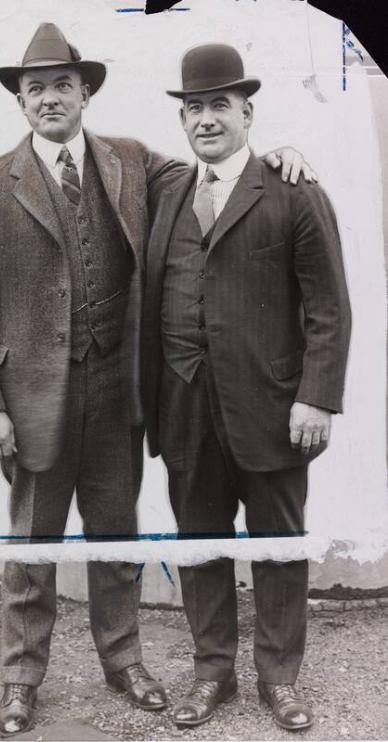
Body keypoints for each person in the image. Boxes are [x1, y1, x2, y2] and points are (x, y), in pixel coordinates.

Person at [0, 23, 317, 737]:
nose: (50, 98)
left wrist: (281, 153)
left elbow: (223, 172)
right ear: (20, 104)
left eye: (62, 85)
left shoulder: (133, 163)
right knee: (33, 549)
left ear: (85, 92)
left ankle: (125, 663)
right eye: (35, 89)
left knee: (115, 542)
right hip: (29, 406)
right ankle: (21, 681)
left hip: (119, 397)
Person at [143, 43, 351, 730]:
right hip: (185, 409)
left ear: (246, 112)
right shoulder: (168, 190)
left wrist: (316, 396)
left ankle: (279, 681)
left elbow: (328, 306)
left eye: (218, 107)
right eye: (193, 108)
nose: (205, 119)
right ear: (183, 120)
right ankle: (212, 675)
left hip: (272, 410)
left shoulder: (293, 189)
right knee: (199, 546)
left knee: (277, 547)